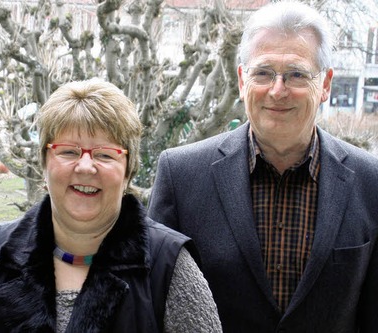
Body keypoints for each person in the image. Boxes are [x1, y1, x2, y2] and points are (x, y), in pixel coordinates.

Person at [147, 1, 378, 332]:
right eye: (263, 73)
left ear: (325, 84)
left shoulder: (371, 183)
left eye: (297, 74)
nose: (278, 90)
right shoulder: (181, 176)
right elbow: (155, 309)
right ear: (242, 80)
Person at [0, 79, 221, 332]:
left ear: (128, 171)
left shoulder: (169, 267)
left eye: (104, 155)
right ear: (44, 164)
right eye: (69, 152)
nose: (85, 166)